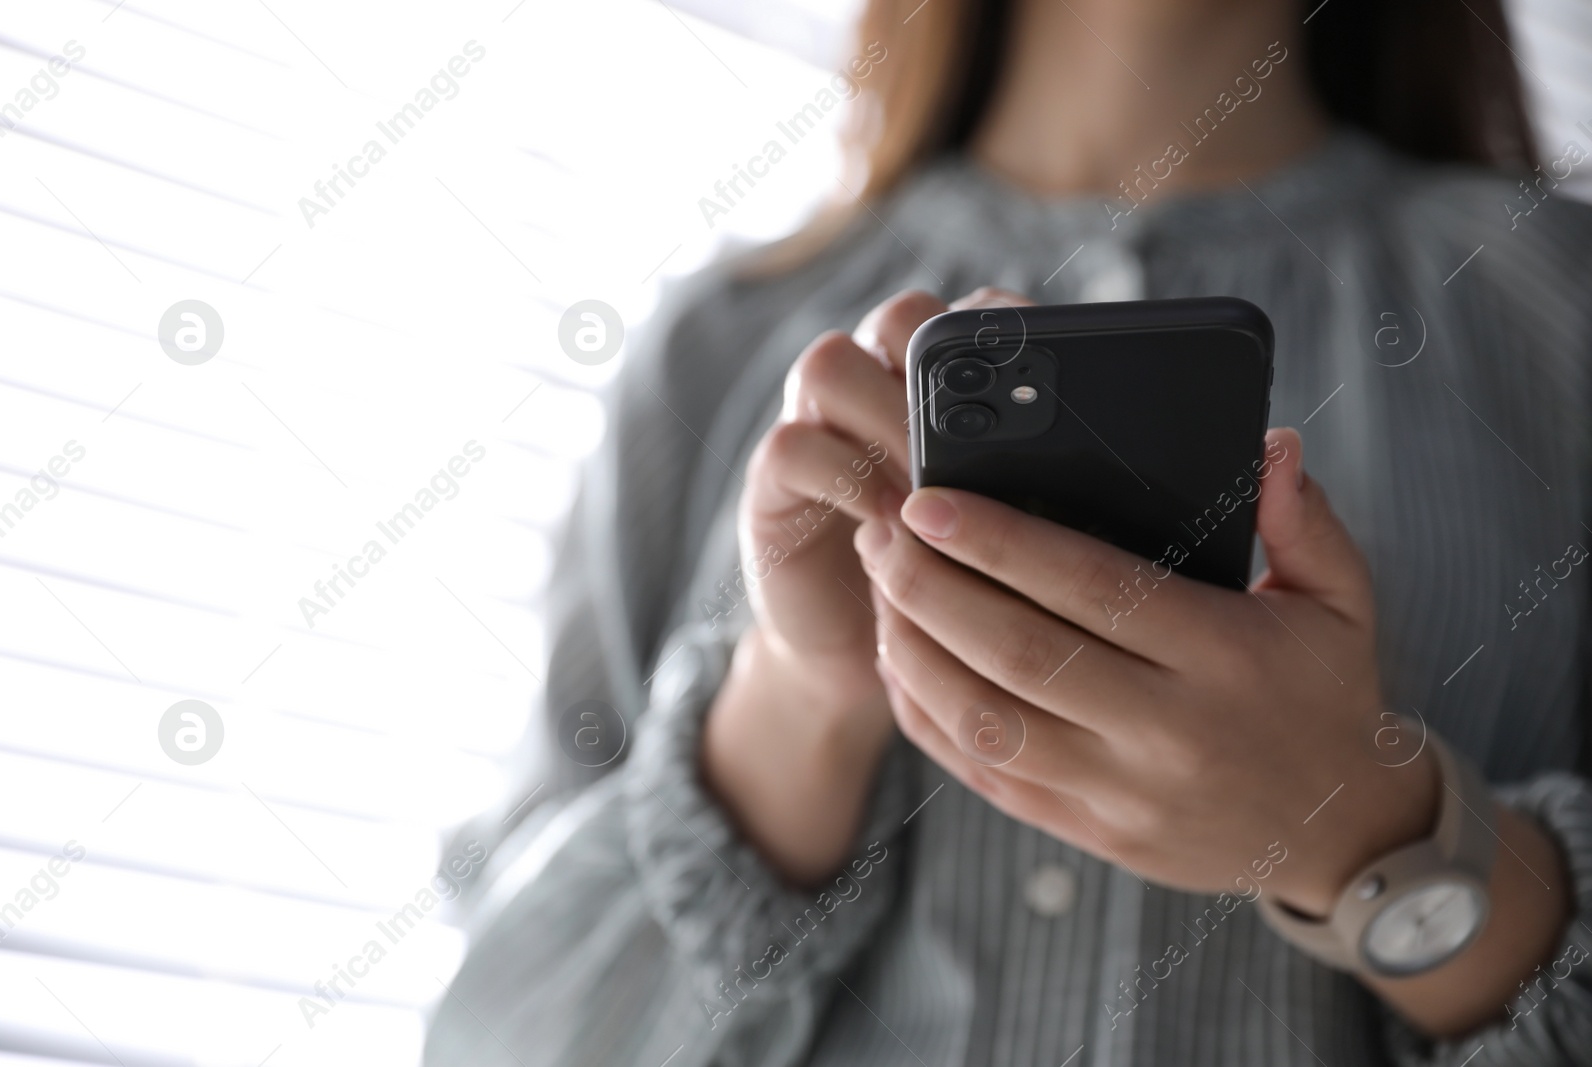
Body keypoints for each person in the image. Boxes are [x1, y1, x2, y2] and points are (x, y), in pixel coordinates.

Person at [424, 0, 1592, 1063]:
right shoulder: (718, 346)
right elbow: (502, 1035)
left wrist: (1365, 835)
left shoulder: (1561, 308)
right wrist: (796, 701)